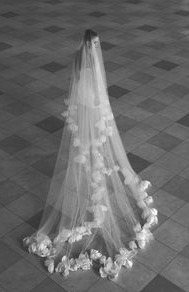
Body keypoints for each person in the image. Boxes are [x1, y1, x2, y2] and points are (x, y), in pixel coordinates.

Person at [23, 29, 158, 280]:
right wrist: (88, 106)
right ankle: (89, 157)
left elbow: (95, 89)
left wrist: (96, 106)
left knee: (93, 145)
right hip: (86, 106)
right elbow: (82, 86)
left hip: (92, 107)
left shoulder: (91, 61)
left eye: (97, 43)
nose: (95, 47)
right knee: (87, 147)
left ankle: (92, 155)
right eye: (93, 43)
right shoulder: (82, 61)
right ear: (86, 44)